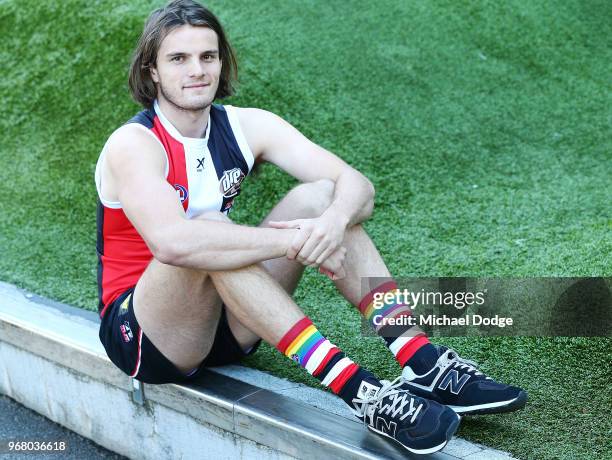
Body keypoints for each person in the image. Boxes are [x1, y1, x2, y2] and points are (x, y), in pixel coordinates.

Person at [95, 0, 526, 454]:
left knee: (323, 196)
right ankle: (363, 394)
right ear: (153, 70)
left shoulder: (246, 125)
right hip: (148, 334)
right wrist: (295, 240)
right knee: (208, 232)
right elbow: (173, 243)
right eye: (178, 59)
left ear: (222, 62)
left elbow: (357, 186)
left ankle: (422, 361)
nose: (197, 70)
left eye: (208, 56)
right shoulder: (134, 144)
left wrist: (332, 223)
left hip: (232, 320)